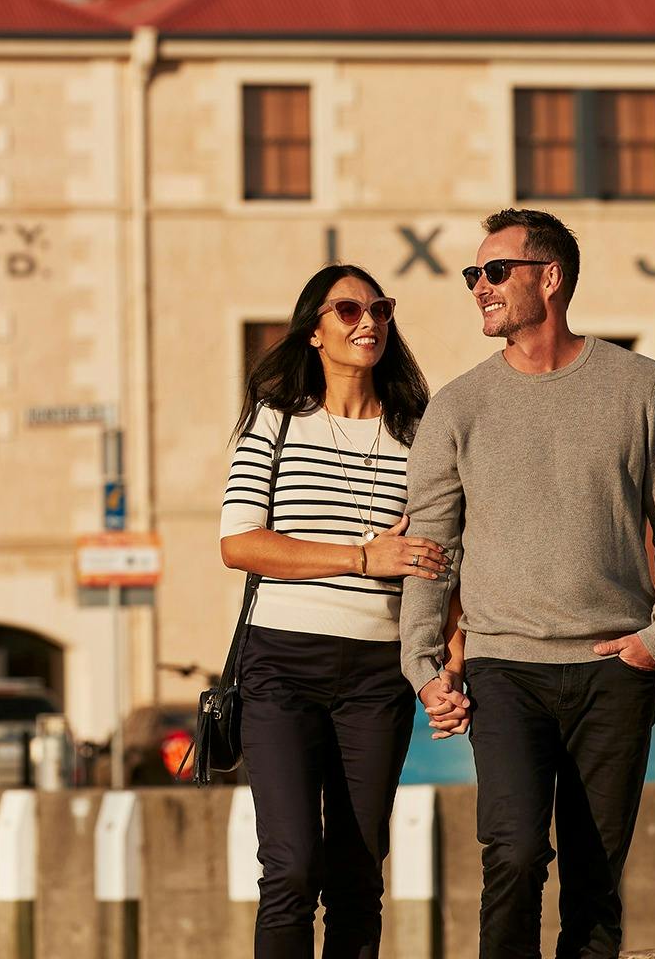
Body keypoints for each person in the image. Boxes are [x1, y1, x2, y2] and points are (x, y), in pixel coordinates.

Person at [400, 208, 655, 959]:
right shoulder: (459, 406)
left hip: (614, 669)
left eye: (495, 271)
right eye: (474, 274)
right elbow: (429, 548)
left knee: (595, 882)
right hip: (507, 669)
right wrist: (424, 666)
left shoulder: (638, 385)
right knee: (513, 854)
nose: (479, 287)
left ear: (551, 278)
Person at [220, 264, 459, 959]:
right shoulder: (273, 421)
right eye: (349, 309)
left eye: (380, 308)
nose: (369, 322)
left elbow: (442, 557)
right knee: (290, 869)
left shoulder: (420, 434)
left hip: (377, 677)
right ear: (315, 330)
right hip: (282, 666)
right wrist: (362, 557)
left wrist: (450, 656)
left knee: (358, 876)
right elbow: (240, 545)